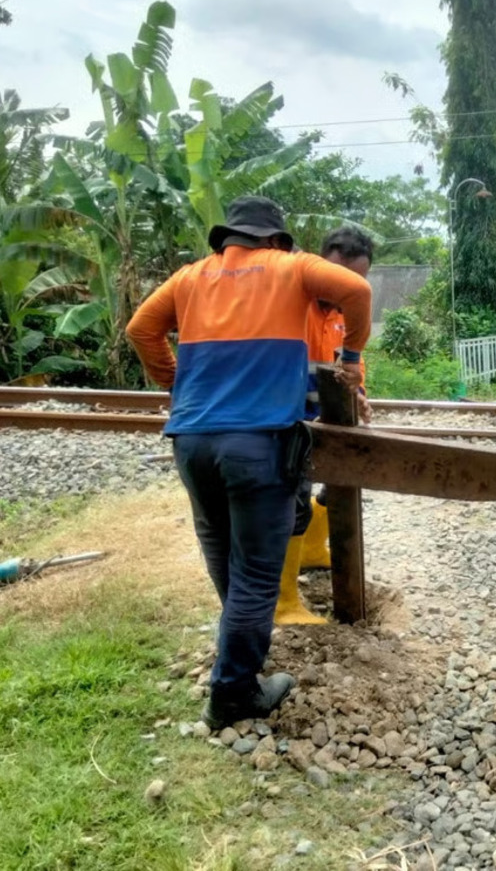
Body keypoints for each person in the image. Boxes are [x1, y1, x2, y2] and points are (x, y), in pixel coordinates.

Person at [126, 196, 372, 729]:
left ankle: (237, 658)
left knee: (226, 562)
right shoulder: (291, 267)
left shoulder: (190, 276)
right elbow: (357, 291)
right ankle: (233, 693)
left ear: (228, 238)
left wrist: (174, 381)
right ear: (277, 240)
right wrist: (351, 359)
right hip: (258, 443)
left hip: (191, 441)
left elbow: (140, 330)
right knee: (257, 576)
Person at [274, 226, 375, 626]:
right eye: (338, 276)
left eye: (354, 281)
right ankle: (284, 602)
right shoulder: (288, 301)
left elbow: (353, 362)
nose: (342, 289)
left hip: (327, 416)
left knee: (344, 479)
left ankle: (314, 550)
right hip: (287, 419)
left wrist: (358, 392)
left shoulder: (346, 313)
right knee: (294, 501)